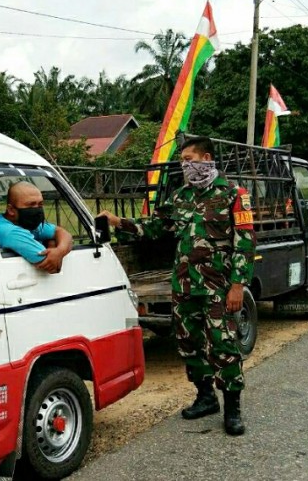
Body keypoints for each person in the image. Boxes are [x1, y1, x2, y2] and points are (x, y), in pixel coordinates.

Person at [99, 136, 255, 436]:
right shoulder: (181, 196)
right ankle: (205, 396)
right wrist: (119, 222)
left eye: (189, 159)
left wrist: (238, 286)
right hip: (184, 287)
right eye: (182, 161)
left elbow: (245, 243)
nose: (185, 166)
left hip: (218, 288)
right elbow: (155, 227)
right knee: (188, 344)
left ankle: (232, 407)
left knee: (222, 346)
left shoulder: (234, 194)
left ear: (206, 158)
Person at [0, 181, 73, 273]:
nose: (37, 209)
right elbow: (53, 265)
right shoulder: (9, 232)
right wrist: (53, 242)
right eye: (31, 205)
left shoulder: (23, 223)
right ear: (11, 210)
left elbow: (62, 233)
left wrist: (59, 250)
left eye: (40, 204)